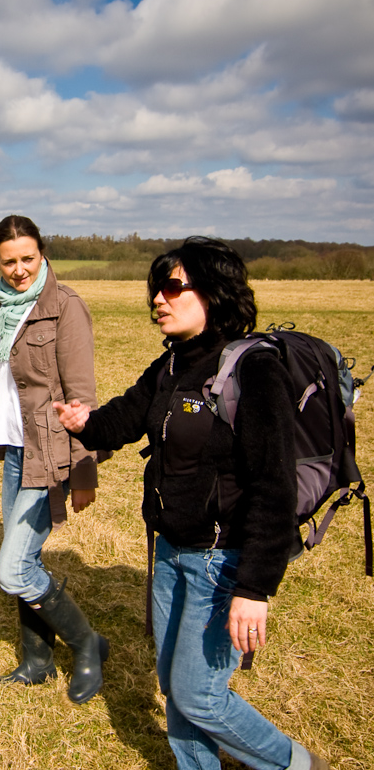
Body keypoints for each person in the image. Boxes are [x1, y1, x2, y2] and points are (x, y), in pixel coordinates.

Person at [55, 237, 329, 769]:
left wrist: (254, 588)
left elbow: (274, 486)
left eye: (173, 286)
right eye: (156, 288)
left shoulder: (254, 370)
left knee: (200, 695)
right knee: (176, 688)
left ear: (215, 293)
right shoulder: (173, 363)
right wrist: (84, 422)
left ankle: (296, 764)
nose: (158, 298)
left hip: (220, 562)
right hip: (170, 552)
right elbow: (124, 418)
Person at [0, 214, 110, 705]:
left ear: (42, 254)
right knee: (26, 557)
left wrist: (86, 470)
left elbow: (82, 398)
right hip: (16, 450)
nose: (19, 270)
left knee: (14, 569)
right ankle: (37, 661)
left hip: (51, 455)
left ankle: (88, 644)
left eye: (28, 258)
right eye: (8, 261)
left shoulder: (66, 306)